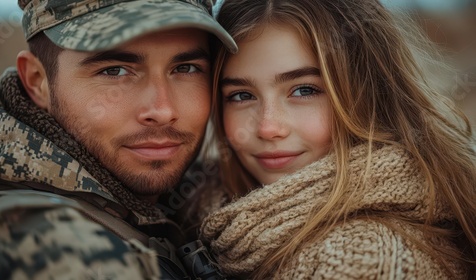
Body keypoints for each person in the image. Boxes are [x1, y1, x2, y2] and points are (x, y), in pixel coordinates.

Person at [200, 0, 476, 279]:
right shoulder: (203, 203)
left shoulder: (365, 263)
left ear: (369, 95)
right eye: (241, 95)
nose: (268, 128)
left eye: (304, 90)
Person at [0, 0, 237, 279]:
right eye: (115, 71)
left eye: (186, 68)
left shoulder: (203, 202)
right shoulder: (47, 249)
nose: (163, 111)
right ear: (38, 81)